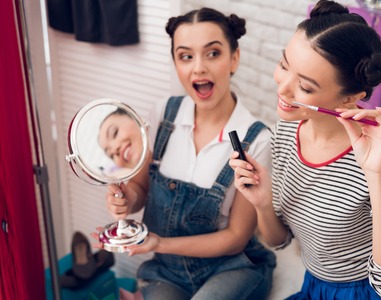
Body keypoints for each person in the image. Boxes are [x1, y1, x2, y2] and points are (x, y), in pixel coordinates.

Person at [229, 1, 381, 299]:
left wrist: (375, 172)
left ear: (349, 98)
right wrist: (262, 203)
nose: (283, 88)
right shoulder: (286, 131)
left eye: (305, 87)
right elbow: (279, 240)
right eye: (284, 65)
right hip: (314, 287)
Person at [99, 7, 276, 300]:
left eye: (213, 53)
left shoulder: (255, 140)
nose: (198, 68)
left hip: (232, 268)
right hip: (167, 272)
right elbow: (140, 188)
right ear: (175, 64)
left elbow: (235, 239)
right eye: (186, 56)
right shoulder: (162, 114)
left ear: (234, 58)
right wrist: (125, 200)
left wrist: (157, 243)